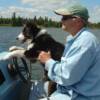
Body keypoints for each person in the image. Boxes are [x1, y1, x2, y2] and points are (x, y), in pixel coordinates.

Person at [38, 4, 100, 100]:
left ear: (78, 21)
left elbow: (67, 76)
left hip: (79, 96)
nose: (61, 20)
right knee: (36, 89)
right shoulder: (78, 39)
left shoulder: (84, 42)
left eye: (65, 17)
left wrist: (48, 61)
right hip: (71, 90)